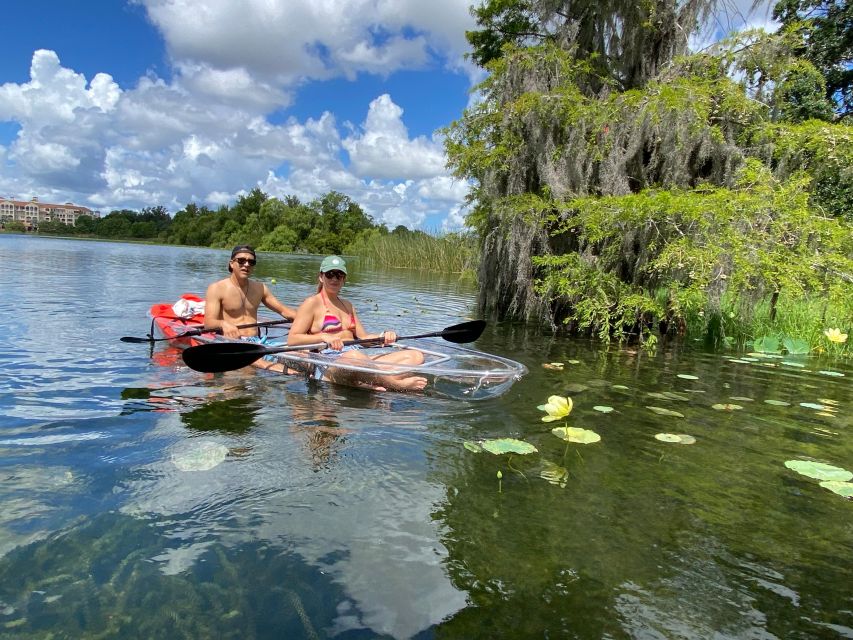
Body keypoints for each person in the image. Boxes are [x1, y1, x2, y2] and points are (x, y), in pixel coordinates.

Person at [287, 255, 428, 391]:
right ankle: (395, 384)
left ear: (344, 279)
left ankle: (365, 380)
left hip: (357, 357)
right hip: (329, 364)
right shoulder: (311, 303)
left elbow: (363, 339)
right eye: (330, 274)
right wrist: (324, 337)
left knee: (416, 356)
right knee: (355, 358)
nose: (334, 279)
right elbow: (293, 339)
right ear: (321, 277)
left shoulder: (348, 305)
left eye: (339, 275)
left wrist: (382, 336)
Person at [204, 245, 298, 372]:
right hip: (232, 344)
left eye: (251, 262)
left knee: (301, 355)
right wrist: (223, 324)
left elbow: (284, 311)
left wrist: (311, 322)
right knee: (279, 369)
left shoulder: (260, 288)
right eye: (241, 260)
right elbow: (209, 323)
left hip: (257, 343)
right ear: (231, 264)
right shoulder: (216, 288)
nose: (246, 264)